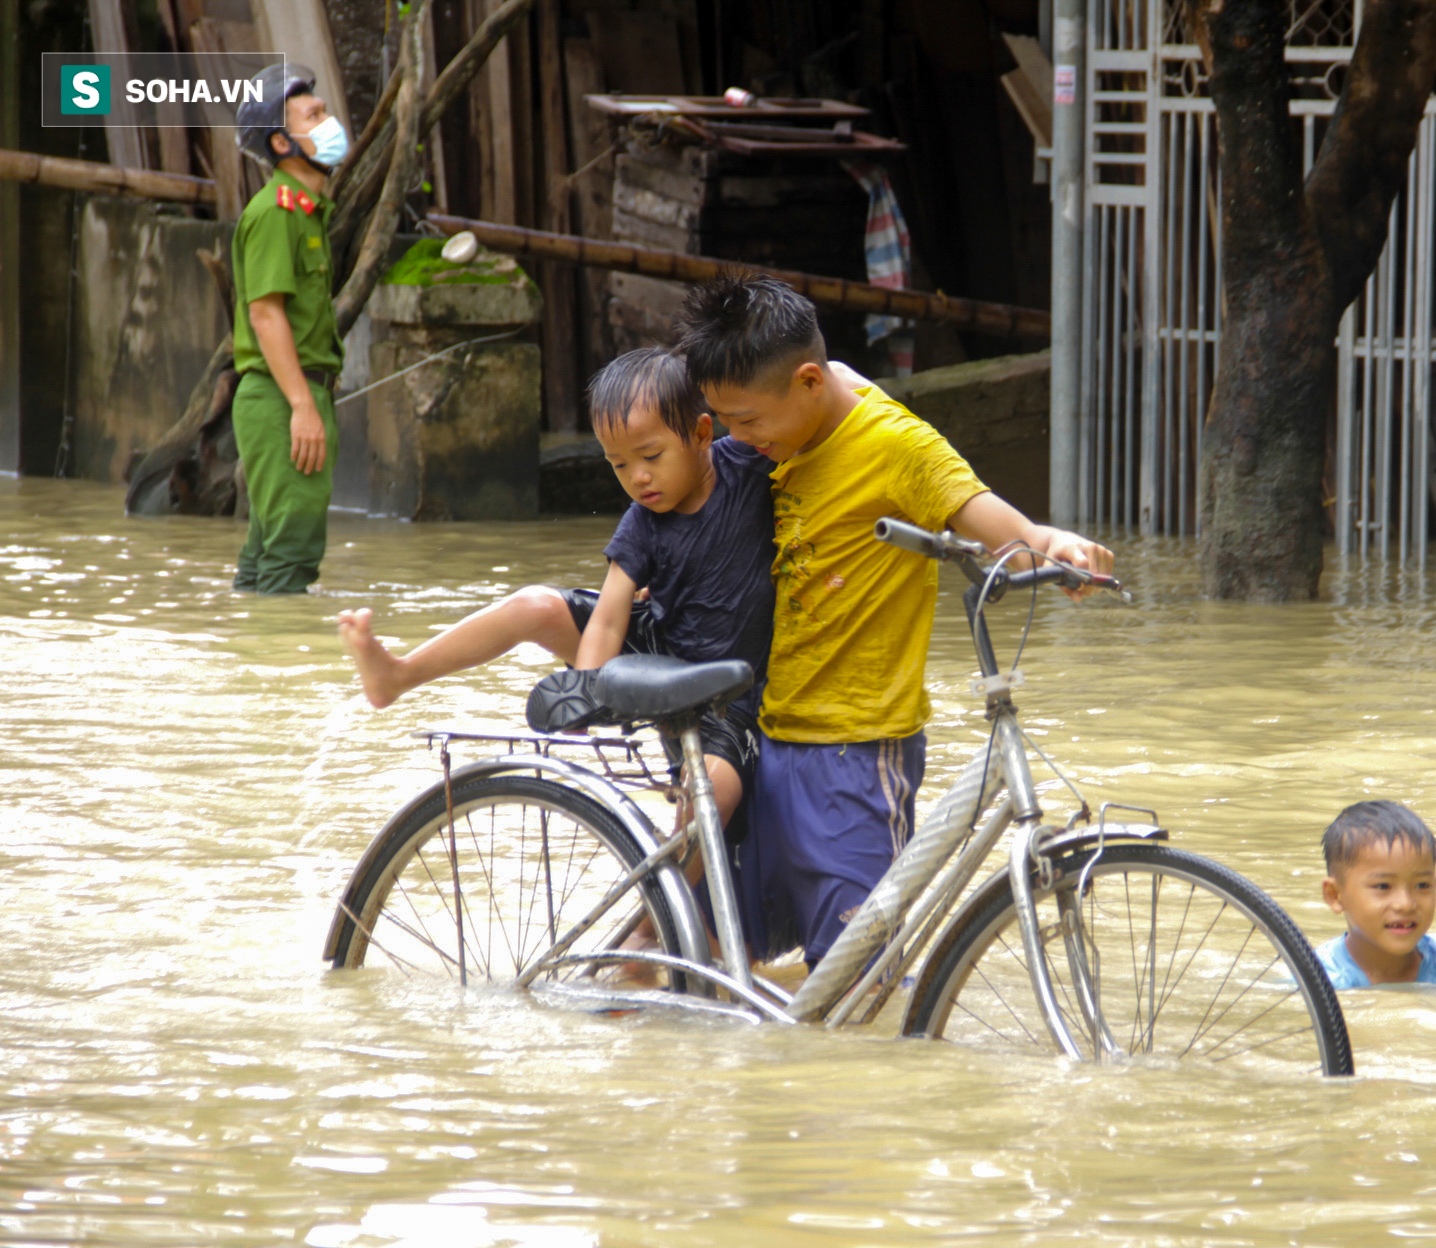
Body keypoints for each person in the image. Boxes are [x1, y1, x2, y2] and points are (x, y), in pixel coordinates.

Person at [673, 273, 1113, 966]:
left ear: (810, 383)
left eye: (748, 422)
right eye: (725, 420)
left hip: (855, 753)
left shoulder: (897, 447)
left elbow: (998, 524)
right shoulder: (799, 412)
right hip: (767, 735)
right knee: (707, 956)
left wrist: (1054, 547)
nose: (734, 441)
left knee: (856, 977)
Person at [335, 347, 775, 844]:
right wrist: (586, 691)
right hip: (659, 655)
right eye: (619, 465)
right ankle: (398, 675)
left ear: (700, 434)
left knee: (712, 792)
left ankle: (657, 924)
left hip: (730, 695)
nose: (638, 478)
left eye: (651, 457)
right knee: (535, 605)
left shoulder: (746, 465)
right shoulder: (644, 521)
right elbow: (610, 617)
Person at [230, 63, 350, 593]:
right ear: (282, 141)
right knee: (292, 555)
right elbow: (266, 313)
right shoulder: (276, 212)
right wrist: (303, 406)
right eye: (314, 115)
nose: (329, 122)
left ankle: (252, 662)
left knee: (267, 556)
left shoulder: (307, 211)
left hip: (291, 396)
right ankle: (279, 666)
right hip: (284, 398)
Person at [1315, 801, 1436, 991]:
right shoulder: (1318, 981)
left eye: (1422, 885)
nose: (1406, 904)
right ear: (1335, 895)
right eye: (1383, 886)